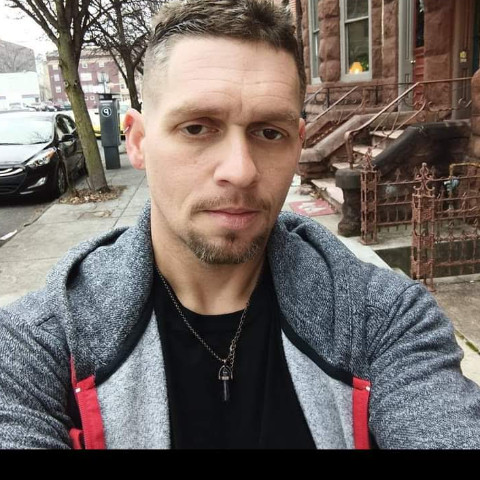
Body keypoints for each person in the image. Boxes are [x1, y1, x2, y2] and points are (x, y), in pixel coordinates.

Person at [1, 0, 479, 450]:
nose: (241, 170)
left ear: (297, 144)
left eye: (269, 132)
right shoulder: (38, 344)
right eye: (197, 127)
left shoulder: (384, 318)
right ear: (138, 141)